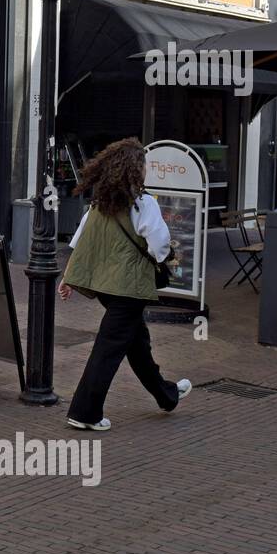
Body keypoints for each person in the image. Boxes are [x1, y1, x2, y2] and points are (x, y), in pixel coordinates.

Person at [58, 138, 192, 432]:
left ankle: (167, 395)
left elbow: (80, 242)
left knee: (137, 344)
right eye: (143, 165)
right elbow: (159, 245)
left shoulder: (99, 204)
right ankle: (85, 412)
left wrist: (67, 277)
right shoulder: (144, 204)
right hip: (130, 288)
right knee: (108, 348)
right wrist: (167, 255)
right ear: (135, 169)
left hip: (106, 286)